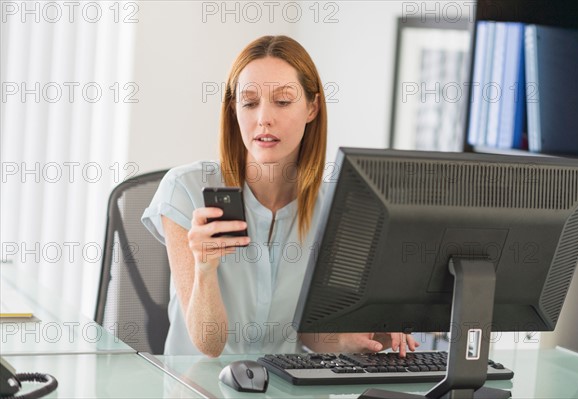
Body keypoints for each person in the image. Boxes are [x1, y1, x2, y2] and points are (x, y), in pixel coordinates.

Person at [142, 35, 419, 357]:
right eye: (249, 102)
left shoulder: (337, 206)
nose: (263, 118)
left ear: (312, 107)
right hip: (198, 386)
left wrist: (356, 341)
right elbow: (209, 344)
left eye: (283, 101)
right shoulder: (185, 191)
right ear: (233, 109)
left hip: (285, 385)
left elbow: (309, 334)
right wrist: (205, 267)